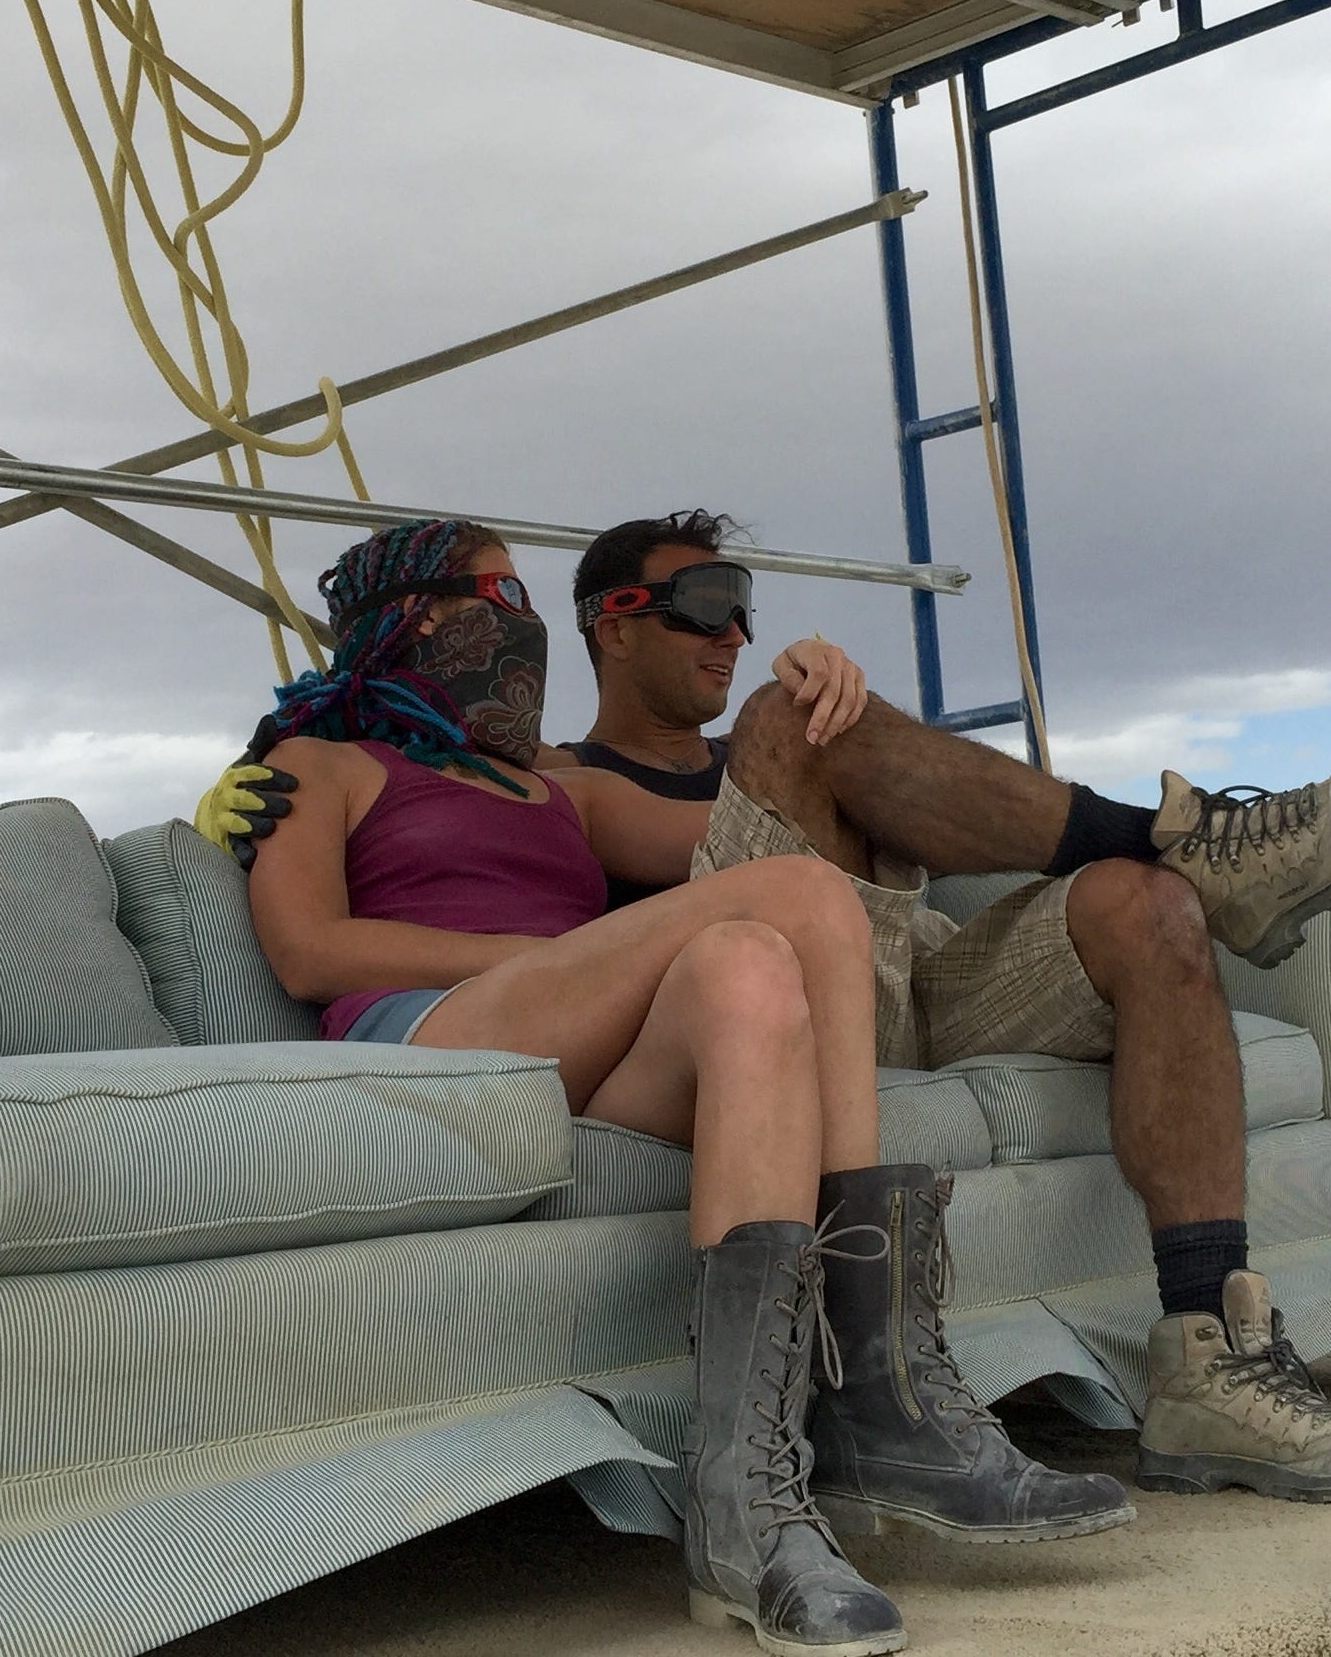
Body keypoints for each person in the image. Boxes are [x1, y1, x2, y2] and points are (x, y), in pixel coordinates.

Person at [204, 508, 1331, 1508]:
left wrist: (858, 736)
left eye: (744, 607)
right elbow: (315, 942)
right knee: (791, 775)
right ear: (596, 625)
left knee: (1144, 906)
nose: (732, 628)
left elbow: (810, 840)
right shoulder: (438, 767)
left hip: (840, 968)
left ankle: (1207, 1349)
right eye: (699, 604)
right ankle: (1198, 836)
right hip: (637, 1000)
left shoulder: (552, 798)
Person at [240, 518, 1132, 1657]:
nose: (520, 620)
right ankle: (880, 1395)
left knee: (749, 955)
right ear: (412, 615)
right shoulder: (314, 765)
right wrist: (537, 962)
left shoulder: (558, 788)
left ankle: (744, 1508)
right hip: (439, 1041)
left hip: (591, 1059)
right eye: (495, 590)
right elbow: (309, 952)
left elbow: (789, 820)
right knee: (797, 902)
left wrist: (815, 704)